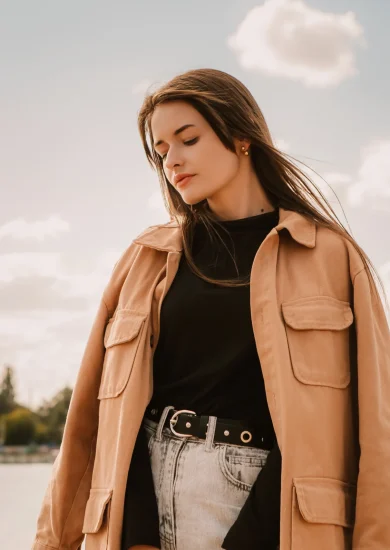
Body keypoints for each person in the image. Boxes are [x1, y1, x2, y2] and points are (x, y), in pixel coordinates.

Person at [32, 68, 390, 550]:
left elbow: (374, 428)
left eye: (188, 140)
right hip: (141, 509)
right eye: (160, 152)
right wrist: (135, 531)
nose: (172, 161)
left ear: (241, 136)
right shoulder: (145, 259)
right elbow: (94, 420)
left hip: (274, 515)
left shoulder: (331, 257)